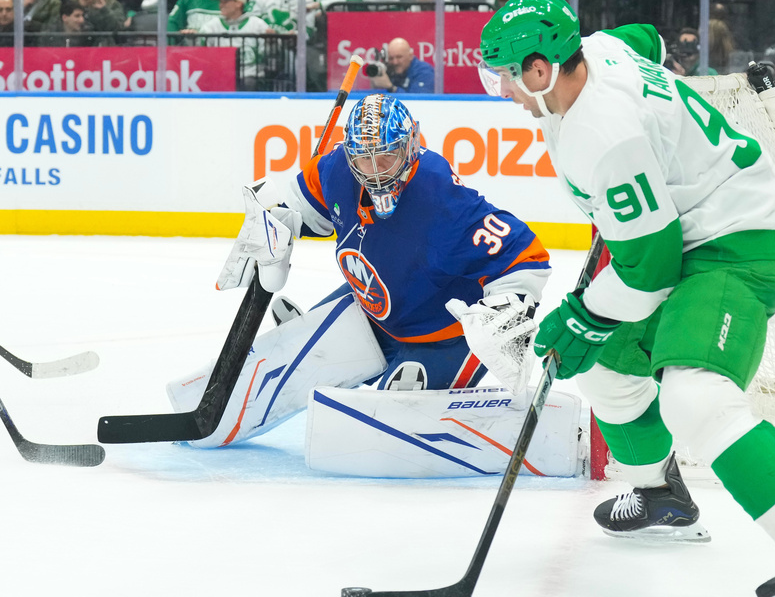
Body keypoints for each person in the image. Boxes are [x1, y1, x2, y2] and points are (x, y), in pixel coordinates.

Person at [478, 0, 775, 597]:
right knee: (604, 366)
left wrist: (578, 317)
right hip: (688, 234)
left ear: (541, 70)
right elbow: (647, 40)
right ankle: (662, 495)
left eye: (505, 73)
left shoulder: (598, 136)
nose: (502, 88)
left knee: (695, 396)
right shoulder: (599, 49)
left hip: (738, 242)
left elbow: (650, 268)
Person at [179, 94, 551, 449]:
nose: (373, 173)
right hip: (371, 307)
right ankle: (316, 338)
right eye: (364, 159)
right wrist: (276, 223)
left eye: (386, 157)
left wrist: (507, 308)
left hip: (444, 334)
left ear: (410, 146)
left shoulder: (443, 200)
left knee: (394, 423)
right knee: (302, 351)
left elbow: (526, 255)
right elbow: (301, 206)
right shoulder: (338, 166)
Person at [198, 0, 269, 89]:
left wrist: (272, 41)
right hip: (220, 76)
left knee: (249, 83)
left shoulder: (258, 25)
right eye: (221, 1)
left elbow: (268, 54)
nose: (221, 5)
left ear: (238, 3)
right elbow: (200, 52)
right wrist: (189, 37)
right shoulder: (211, 26)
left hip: (251, 76)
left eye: (226, 1)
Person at [368, 36, 434, 93]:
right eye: (391, 58)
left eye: (399, 57)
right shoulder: (389, 69)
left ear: (410, 56)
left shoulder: (424, 72)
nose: (395, 62)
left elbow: (418, 102)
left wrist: (391, 87)